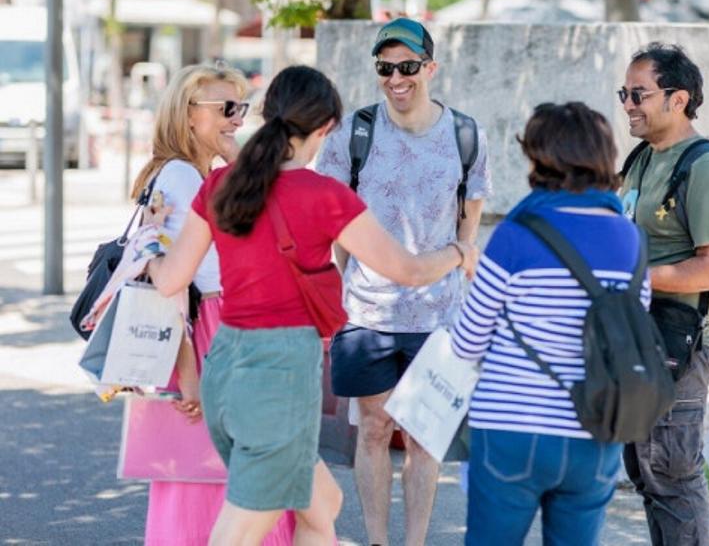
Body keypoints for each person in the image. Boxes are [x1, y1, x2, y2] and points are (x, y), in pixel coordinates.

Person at [147, 65, 478, 545]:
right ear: (325, 128)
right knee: (238, 532)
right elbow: (406, 269)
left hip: (224, 366)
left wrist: (150, 244)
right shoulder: (324, 196)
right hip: (279, 375)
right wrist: (459, 252)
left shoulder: (221, 185)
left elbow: (169, 279)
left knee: (323, 507)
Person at [315, 18, 491, 546]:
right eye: (386, 67)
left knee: (422, 436)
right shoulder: (354, 133)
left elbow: (469, 219)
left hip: (438, 316)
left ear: (430, 68)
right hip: (366, 313)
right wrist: (350, 282)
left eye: (408, 66)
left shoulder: (465, 134)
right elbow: (332, 220)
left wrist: (454, 271)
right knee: (372, 428)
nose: (396, 78)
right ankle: (377, 540)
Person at [450, 102, 642, 545]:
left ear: (543, 160)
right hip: (596, 429)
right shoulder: (630, 239)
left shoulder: (517, 234)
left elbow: (466, 342)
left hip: (512, 428)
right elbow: (630, 333)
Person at [131, 62, 295, 546]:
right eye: (226, 108)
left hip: (217, 329)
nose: (237, 119)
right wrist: (188, 373)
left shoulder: (202, 174)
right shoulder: (182, 178)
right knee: (215, 473)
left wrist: (233, 154)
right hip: (206, 332)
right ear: (188, 114)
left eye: (240, 108)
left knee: (211, 471)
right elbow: (170, 284)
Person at [618, 42, 709, 546]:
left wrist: (634, 276)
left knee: (671, 472)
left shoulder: (704, 167)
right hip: (638, 336)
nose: (628, 104)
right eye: (624, 94)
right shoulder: (642, 158)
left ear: (678, 99)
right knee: (646, 470)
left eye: (639, 94)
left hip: (680, 343)